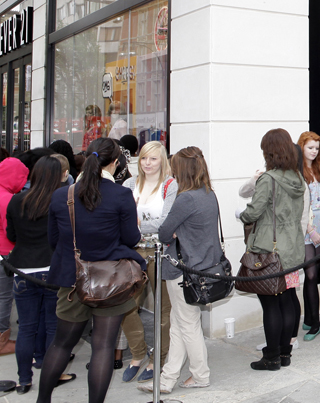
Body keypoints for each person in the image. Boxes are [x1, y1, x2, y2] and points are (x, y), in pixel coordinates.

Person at [39, 137, 145, 403]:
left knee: (61, 344)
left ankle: (42, 400)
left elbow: (54, 240)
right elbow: (131, 238)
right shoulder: (121, 195)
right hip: (110, 280)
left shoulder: (62, 195)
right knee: (103, 347)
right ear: (115, 162)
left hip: (72, 280)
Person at [141, 147, 222, 393]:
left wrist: (174, 230)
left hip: (183, 270)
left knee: (187, 325)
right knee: (180, 323)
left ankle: (200, 375)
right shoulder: (208, 193)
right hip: (202, 267)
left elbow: (165, 231)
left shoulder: (186, 198)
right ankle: (167, 379)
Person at [239, 129, 307, 371]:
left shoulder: (269, 179)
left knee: (271, 305)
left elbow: (253, 212)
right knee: (288, 300)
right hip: (292, 249)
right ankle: (285, 353)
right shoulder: (298, 178)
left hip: (270, 252)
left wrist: (241, 214)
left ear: (270, 152)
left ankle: (271, 357)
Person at [6, 157, 72, 394]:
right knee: (54, 326)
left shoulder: (16, 200)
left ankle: (24, 380)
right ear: (58, 176)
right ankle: (52, 373)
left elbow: (12, 235)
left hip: (23, 270)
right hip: (52, 269)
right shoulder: (61, 200)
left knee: (26, 328)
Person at [119, 140, 176, 382]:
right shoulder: (129, 184)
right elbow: (119, 219)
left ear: (162, 160)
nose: (147, 163)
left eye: (153, 158)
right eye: (143, 158)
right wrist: (136, 228)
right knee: (125, 306)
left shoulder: (170, 185)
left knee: (163, 309)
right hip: (132, 252)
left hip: (160, 252)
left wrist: (135, 225)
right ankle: (138, 353)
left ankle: (158, 359)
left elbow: (166, 223)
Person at [297, 132, 320, 342]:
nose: (313, 151)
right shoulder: (297, 172)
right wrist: (310, 230)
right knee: (309, 274)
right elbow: (299, 207)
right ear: (301, 147)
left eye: (316, 148)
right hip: (306, 226)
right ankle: (314, 322)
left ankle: (311, 319)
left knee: (316, 273)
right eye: (310, 147)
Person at [0, 157, 26, 357]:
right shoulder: (8, 199)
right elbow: (12, 232)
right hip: (5, 254)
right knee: (4, 297)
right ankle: (2, 340)